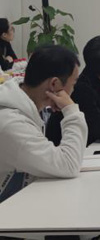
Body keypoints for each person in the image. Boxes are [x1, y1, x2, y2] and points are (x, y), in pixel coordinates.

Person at [0, 45, 87, 203]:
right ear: (54, 84)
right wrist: (71, 111)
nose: (73, 91)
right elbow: (69, 165)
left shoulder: (26, 105)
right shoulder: (11, 123)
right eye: (73, 84)